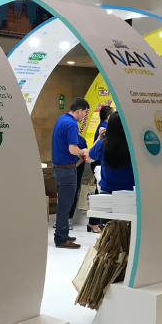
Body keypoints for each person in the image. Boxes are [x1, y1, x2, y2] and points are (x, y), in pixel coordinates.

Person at [51, 98, 90, 249]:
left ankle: (63, 233)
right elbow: (73, 149)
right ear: (79, 110)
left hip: (59, 168)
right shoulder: (72, 124)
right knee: (65, 205)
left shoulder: (61, 119)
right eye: (85, 112)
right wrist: (83, 151)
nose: (85, 116)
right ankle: (61, 238)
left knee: (63, 203)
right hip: (67, 170)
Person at [88, 112, 134, 195]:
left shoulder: (102, 145)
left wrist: (99, 138)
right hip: (131, 192)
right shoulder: (134, 146)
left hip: (107, 193)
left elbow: (89, 158)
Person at [86, 106, 114, 233]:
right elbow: (91, 155)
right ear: (108, 116)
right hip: (99, 163)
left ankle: (94, 222)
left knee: (100, 192)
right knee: (101, 192)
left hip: (99, 162)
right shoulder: (105, 128)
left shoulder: (103, 126)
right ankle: (94, 222)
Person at [68, 135, 88, 230]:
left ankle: (69, 218)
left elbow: (84, 157)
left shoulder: (81, 141)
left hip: (76, 169)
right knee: (63, 194)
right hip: (65, 169)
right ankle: (61, 218)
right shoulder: (64, 139)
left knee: (73, 192)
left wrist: (74, 166)